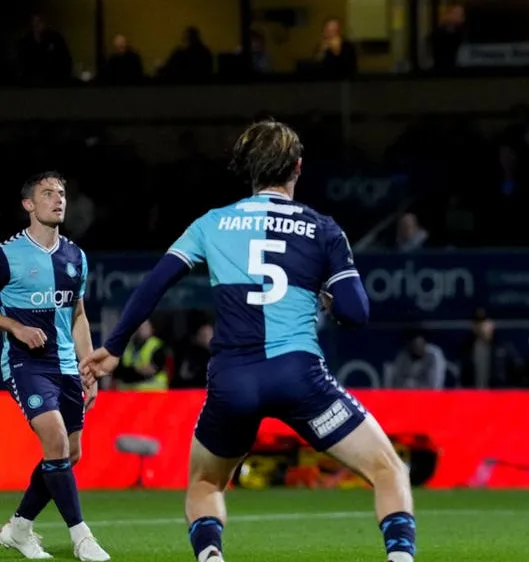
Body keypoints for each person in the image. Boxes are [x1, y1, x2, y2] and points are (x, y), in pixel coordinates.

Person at [81, 120, 417, 562]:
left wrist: (115, 345)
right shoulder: (324, 229)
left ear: (249, 171)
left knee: (204, 484)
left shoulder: (212, 223)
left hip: (233, 380)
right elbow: (357, 314)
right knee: (389, 469)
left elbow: (154, 284)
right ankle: (399, 557)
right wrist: (331, 299)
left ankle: (211, 557)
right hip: (299, 376)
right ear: (297, 167)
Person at [0, 172, 108, 561]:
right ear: (29, 204)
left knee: (67, 453)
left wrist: (89, 365)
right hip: (25, 362)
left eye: (62, 193)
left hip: (65, 363)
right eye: (48, 194)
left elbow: (78, 314)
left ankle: (19, 527)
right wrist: (15, 326)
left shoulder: (75, 256)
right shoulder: (7, 254)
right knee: (57, 440)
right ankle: (82, 538)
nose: (58, 199)